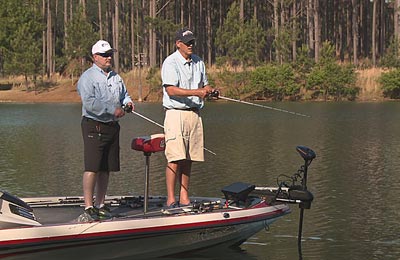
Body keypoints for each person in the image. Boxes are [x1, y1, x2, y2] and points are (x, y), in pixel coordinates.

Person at [77, 40, 134, 221]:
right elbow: (90, 103)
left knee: (106, 168)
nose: (109, 57)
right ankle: (88, 206)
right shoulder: (88, 77)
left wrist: (127, 103)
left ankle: (101, 204)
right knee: (92, 167)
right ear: (95, 57)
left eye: (110, 54)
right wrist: (113, 109)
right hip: (94, 125)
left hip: (112, 127)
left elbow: (124, 94)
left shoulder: (116, 77)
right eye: (104, 54)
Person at [161, 28, 217, 208]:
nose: (191, 45)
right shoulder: (170, 62)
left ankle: (184, 196)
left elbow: (205, 85)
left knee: (188, 158)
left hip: (194, 114)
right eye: (188, 43)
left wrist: (210, 91)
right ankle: (171, 199)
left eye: (193, 42)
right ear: (179, 44)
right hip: (175, 114)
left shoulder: (198, 61)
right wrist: (197, 92)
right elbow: (171, 90)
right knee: (175, 158)